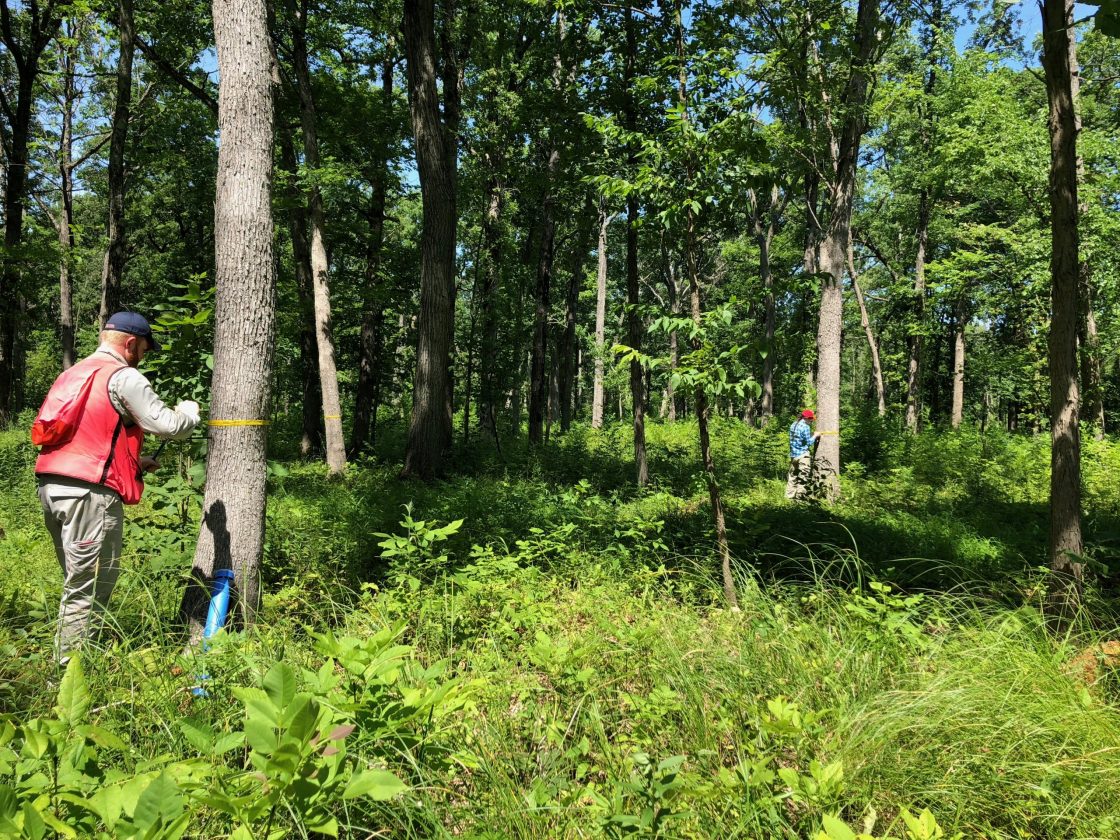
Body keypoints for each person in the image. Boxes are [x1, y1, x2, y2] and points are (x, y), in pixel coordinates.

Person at [34, 312, 200, 664]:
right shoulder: (123, 376)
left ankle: (74, 663)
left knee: (77, 580)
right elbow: (166, 425)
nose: (144, 355)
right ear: (130, 343)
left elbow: (85, 435)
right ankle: (70, 679)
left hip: (53, 488)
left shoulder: (75, 373)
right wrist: (189, 412)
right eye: (144, 348)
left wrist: (134, 464)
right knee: (89, 589)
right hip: (89, 495)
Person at [785, 409, 820, 501]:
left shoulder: (793, 424)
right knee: (803, 477)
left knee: (792, 477)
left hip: (793, 455)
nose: (811, 421)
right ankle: (800, 499)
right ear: (807, 418)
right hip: (803, 455)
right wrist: (815, 435)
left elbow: (799, 438)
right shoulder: (805, 427)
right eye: (811, 419)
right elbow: (808, 442)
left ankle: (788, 497)